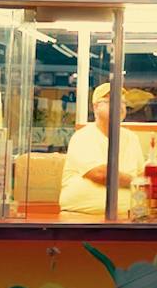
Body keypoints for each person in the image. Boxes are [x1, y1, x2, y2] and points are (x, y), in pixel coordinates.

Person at [59, 83, 145, 218]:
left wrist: (135, 181)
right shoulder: (83, 137)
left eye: (122, 102)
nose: (119, 105)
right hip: (81, 217)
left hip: (129, 216)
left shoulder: (132, 138)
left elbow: (143, 177)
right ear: (95, 107)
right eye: (110, 101)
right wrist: (132, 181)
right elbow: (101, 174)